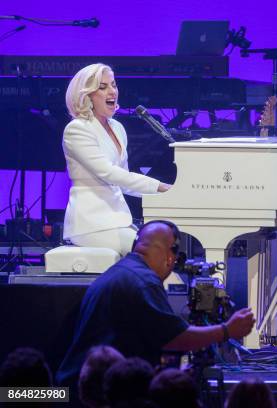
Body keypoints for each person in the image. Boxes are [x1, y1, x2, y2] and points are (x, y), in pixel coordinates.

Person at [56, 220, 255, 388]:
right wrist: (227, 330)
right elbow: (174, 338)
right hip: (93, 392)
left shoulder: (119, 271)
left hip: (79, 384)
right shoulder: (144, 281)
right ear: (170, 257)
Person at [63, 63, 171, 255]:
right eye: (103, 87)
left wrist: (167, 194)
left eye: (113, 85)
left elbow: (124, 181)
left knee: (164, 245)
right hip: (91, 223)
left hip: (118, 219)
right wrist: (160, 186)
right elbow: (109, 173)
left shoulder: (117, 128)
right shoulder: (77, 129)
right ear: (87, 95)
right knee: (153, 252)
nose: (112, 91)